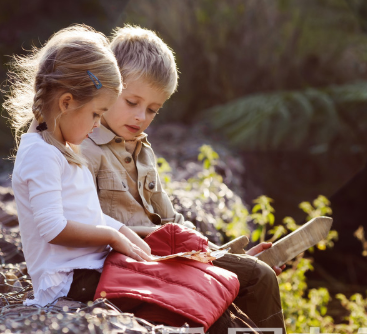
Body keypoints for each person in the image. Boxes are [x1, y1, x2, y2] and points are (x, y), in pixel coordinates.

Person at [80, 25, 287, 333]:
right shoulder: (86, 148)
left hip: (169, 256)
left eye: (153, 109)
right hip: (134, 265)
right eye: (132, 102)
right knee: (248, 287)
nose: (141, 117)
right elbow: (87, 222)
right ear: (107, 87)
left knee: (258, 276)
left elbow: (169, 219)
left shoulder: (141, 150)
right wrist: (191, 251)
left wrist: (219, 254)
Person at [5, 24, 152, 307]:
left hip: (86, 269)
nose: (98, 124)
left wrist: (121, 231)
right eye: (96, 114)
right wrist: (111, 235)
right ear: (66, 103)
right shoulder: (41, 154)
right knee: (153, 287)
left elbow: (87, 215)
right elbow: (53, 229)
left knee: (156, 264)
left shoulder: (64, 147)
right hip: (66, 281)